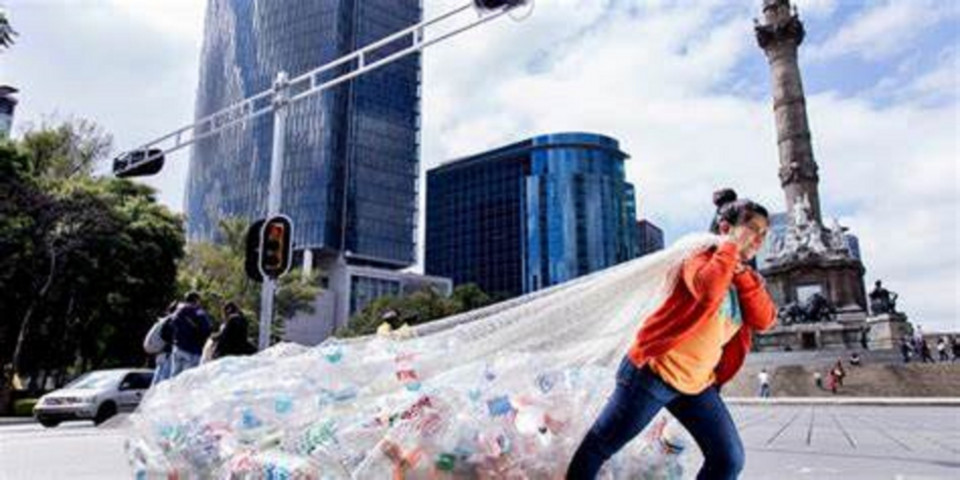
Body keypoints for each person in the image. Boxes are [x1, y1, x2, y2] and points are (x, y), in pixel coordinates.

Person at [567, 189, 776, 480]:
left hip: (696, 385)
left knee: (728, 459)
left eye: (764, 233)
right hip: (653, 373)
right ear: (726, 228)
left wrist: (741, 273)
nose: (759, 238)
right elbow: (708, 290)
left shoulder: (745, 278)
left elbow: (764, 319)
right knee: (600, 446)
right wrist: (729, 247)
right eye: (753, 229)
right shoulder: (696, 258)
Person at [169, 292, 213, 378]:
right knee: (188, 380)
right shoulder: (198, 312)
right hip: (192, 350)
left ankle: (170, 391)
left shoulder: (178, 311)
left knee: (174, 377)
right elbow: (207, 329)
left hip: (177, 348)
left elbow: (171, 325)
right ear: (196, 300)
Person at [146, 301, 178, 386]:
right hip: (167, 354)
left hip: (161, 353)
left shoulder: (163, 321)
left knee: (157, 380)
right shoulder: (171, 321)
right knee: (164, 381)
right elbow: (168, 336)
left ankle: (153, 397)